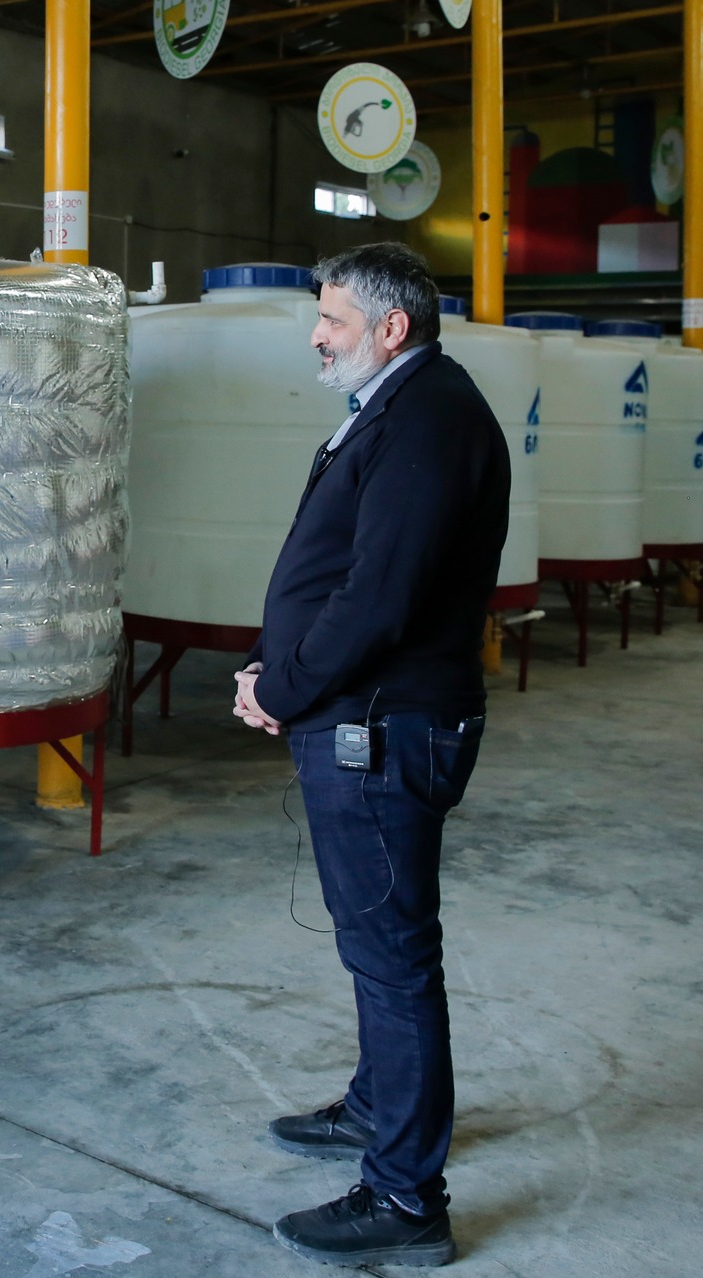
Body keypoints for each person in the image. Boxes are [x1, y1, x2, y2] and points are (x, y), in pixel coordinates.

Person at [233, 243, 509, 1268]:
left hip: (384, 729)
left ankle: (404, 1198)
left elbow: (377, 597)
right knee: (376, 946)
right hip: (361, 718)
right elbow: (336, 565)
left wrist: (282, 688)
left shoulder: (428, 420)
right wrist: (275, 665)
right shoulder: (400, 404)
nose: (316, 335)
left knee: (392, 959)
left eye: (332, 320)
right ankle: (377, 1106)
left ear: (390, 328)